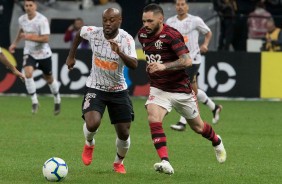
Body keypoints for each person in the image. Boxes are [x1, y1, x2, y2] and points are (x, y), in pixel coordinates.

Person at [138, 3, 226, 175]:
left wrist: (163, 66)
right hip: (159, 88)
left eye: (149, 21)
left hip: (180, 89)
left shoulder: (171, 35)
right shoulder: (142, 34)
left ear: (160, 19)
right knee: (153, 117)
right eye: (144, 21)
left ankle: (216, 141)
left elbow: (187, 61)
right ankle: (165, 161)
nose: (146, 25)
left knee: (198, 127)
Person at [65, 8, 138, 174]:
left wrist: (119, 52)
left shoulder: (126, 39)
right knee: (92, 123)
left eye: (112, 20)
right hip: (95, 86)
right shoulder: (93, 32)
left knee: (124, 133)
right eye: (105, 19)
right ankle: (89, 143)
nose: (107, 23)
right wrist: (71, 56)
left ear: (120, 21)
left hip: (118, 90)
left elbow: (134, 65)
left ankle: (118, 163)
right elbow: (78, 33)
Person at [167, 0, 222, 131]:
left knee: (185, 89)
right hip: (179, 60)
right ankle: (214, 107)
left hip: (193, 60)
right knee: (193, 90)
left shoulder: (195, 20)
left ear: (187, 6)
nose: (180, 7)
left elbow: (208, 32)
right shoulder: (170, 22)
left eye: (182, 4)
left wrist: (205, 45)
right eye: (178, 4)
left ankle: (182, 122)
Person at [9, 0, 61, 115]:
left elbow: (46, 39)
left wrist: (29, 36)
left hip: (44, 54)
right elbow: (21, 31)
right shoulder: (21, 19)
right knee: (27, 74)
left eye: (30, 5)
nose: (28, 8)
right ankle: (34, 101)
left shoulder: (42, 20)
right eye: (26, 5)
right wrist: (15, 43)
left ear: (35, 6)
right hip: (30, 52)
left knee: (49, 79)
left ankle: (57, 98)